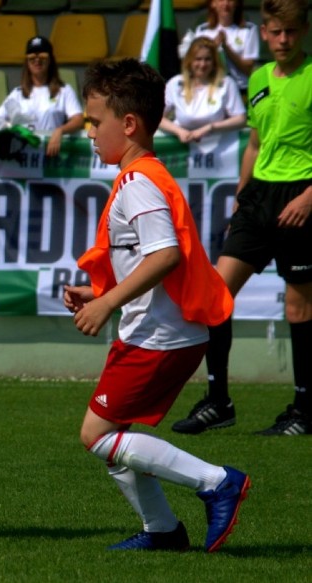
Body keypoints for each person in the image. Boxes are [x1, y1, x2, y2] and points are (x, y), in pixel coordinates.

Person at [64, 58, 250, 552]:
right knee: (115, 437)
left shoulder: (137, 181)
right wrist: (98, 294)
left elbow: (166, 254)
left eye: (94, 122)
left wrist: (106, 305)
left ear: (127, 124)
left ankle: (216, 481)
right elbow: (151, 258)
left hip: (160, 333)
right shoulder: (144, 174)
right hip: (163, 329)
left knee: (97, 434)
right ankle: (162, 531)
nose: (89, 133)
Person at [172, 0, 312, 436]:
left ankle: (304, 410)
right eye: (274, 32)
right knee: (216, 294)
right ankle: (219, 401)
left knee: (299, 304)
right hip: (258, 198)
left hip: (301, 195)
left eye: (290, 32)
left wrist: (310, 197)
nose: (283, 40)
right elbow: (254, 141)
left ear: (302, 31)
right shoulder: (257, 78)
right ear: (264, 34)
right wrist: (240, 196)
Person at [0, 36, 84, 157]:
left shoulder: (64, 90)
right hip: (23, 156)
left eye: (43, 57)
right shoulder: (17, 93)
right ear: (27, 62)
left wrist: (60, 131)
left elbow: (78, 120)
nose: (37, 61)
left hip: (52, 155)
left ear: (50, 60)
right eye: (32, 58)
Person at [160, 37, 247, 143]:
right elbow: (157, 118)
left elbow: (241, 119)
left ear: (214, 62)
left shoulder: (226, 83)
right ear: (190, 61)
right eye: (198, 59)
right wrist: (179, 131)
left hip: (219, 148)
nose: (203, 64)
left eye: (208, 59)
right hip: (182, 149)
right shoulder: (175, 84)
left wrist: (210, 127)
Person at [178, 0, 260, 97]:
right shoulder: (203, 30)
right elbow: (194, 63)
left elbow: (248, 69)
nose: (225, 4)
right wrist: (213, 48)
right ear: (213, 4)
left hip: (240, 91)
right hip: (211, 90)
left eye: (230, 1)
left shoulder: (248, 30)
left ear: (237, 3)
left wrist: (226, 47)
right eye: (221, 0)